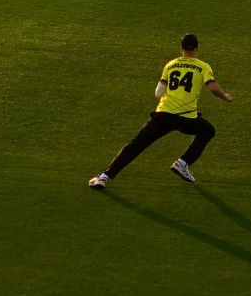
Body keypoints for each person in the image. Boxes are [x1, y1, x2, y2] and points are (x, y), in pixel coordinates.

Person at [90, 34, 233, 188]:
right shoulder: (203, 66)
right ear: (197, 48)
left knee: (136, 145)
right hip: (187, 118)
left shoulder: (170, 65)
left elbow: (158, 93)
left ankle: (104, 177)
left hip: (163, 115)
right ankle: (183, 163)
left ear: (181, 48)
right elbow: (212, 87)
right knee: (208, 131)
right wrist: (224, 96)